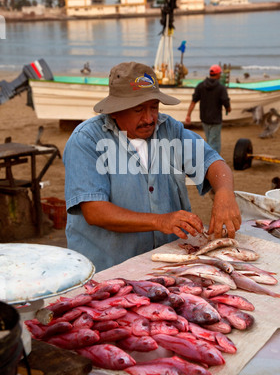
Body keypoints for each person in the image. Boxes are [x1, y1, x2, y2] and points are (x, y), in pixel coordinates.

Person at [63, 62, 241, 272]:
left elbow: (213, 162)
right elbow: (95, 212)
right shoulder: (86, 140)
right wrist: (160, 221)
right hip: (108, 270)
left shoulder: (169, 129)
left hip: (168, 264)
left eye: (154, 107)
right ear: (115, 111)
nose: (149, 119)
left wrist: (224, 194)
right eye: (138, 110)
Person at [185, 64, 231, 154]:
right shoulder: (221, 88)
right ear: (218, 74)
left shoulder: (200, 86)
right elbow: (225, 101)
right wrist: (228, 108)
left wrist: (188, 115)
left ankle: (208, 159)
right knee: (214, 142)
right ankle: (212, 162)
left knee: (209, 139)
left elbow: (193, 101)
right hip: (216, 119)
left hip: (204, 118)